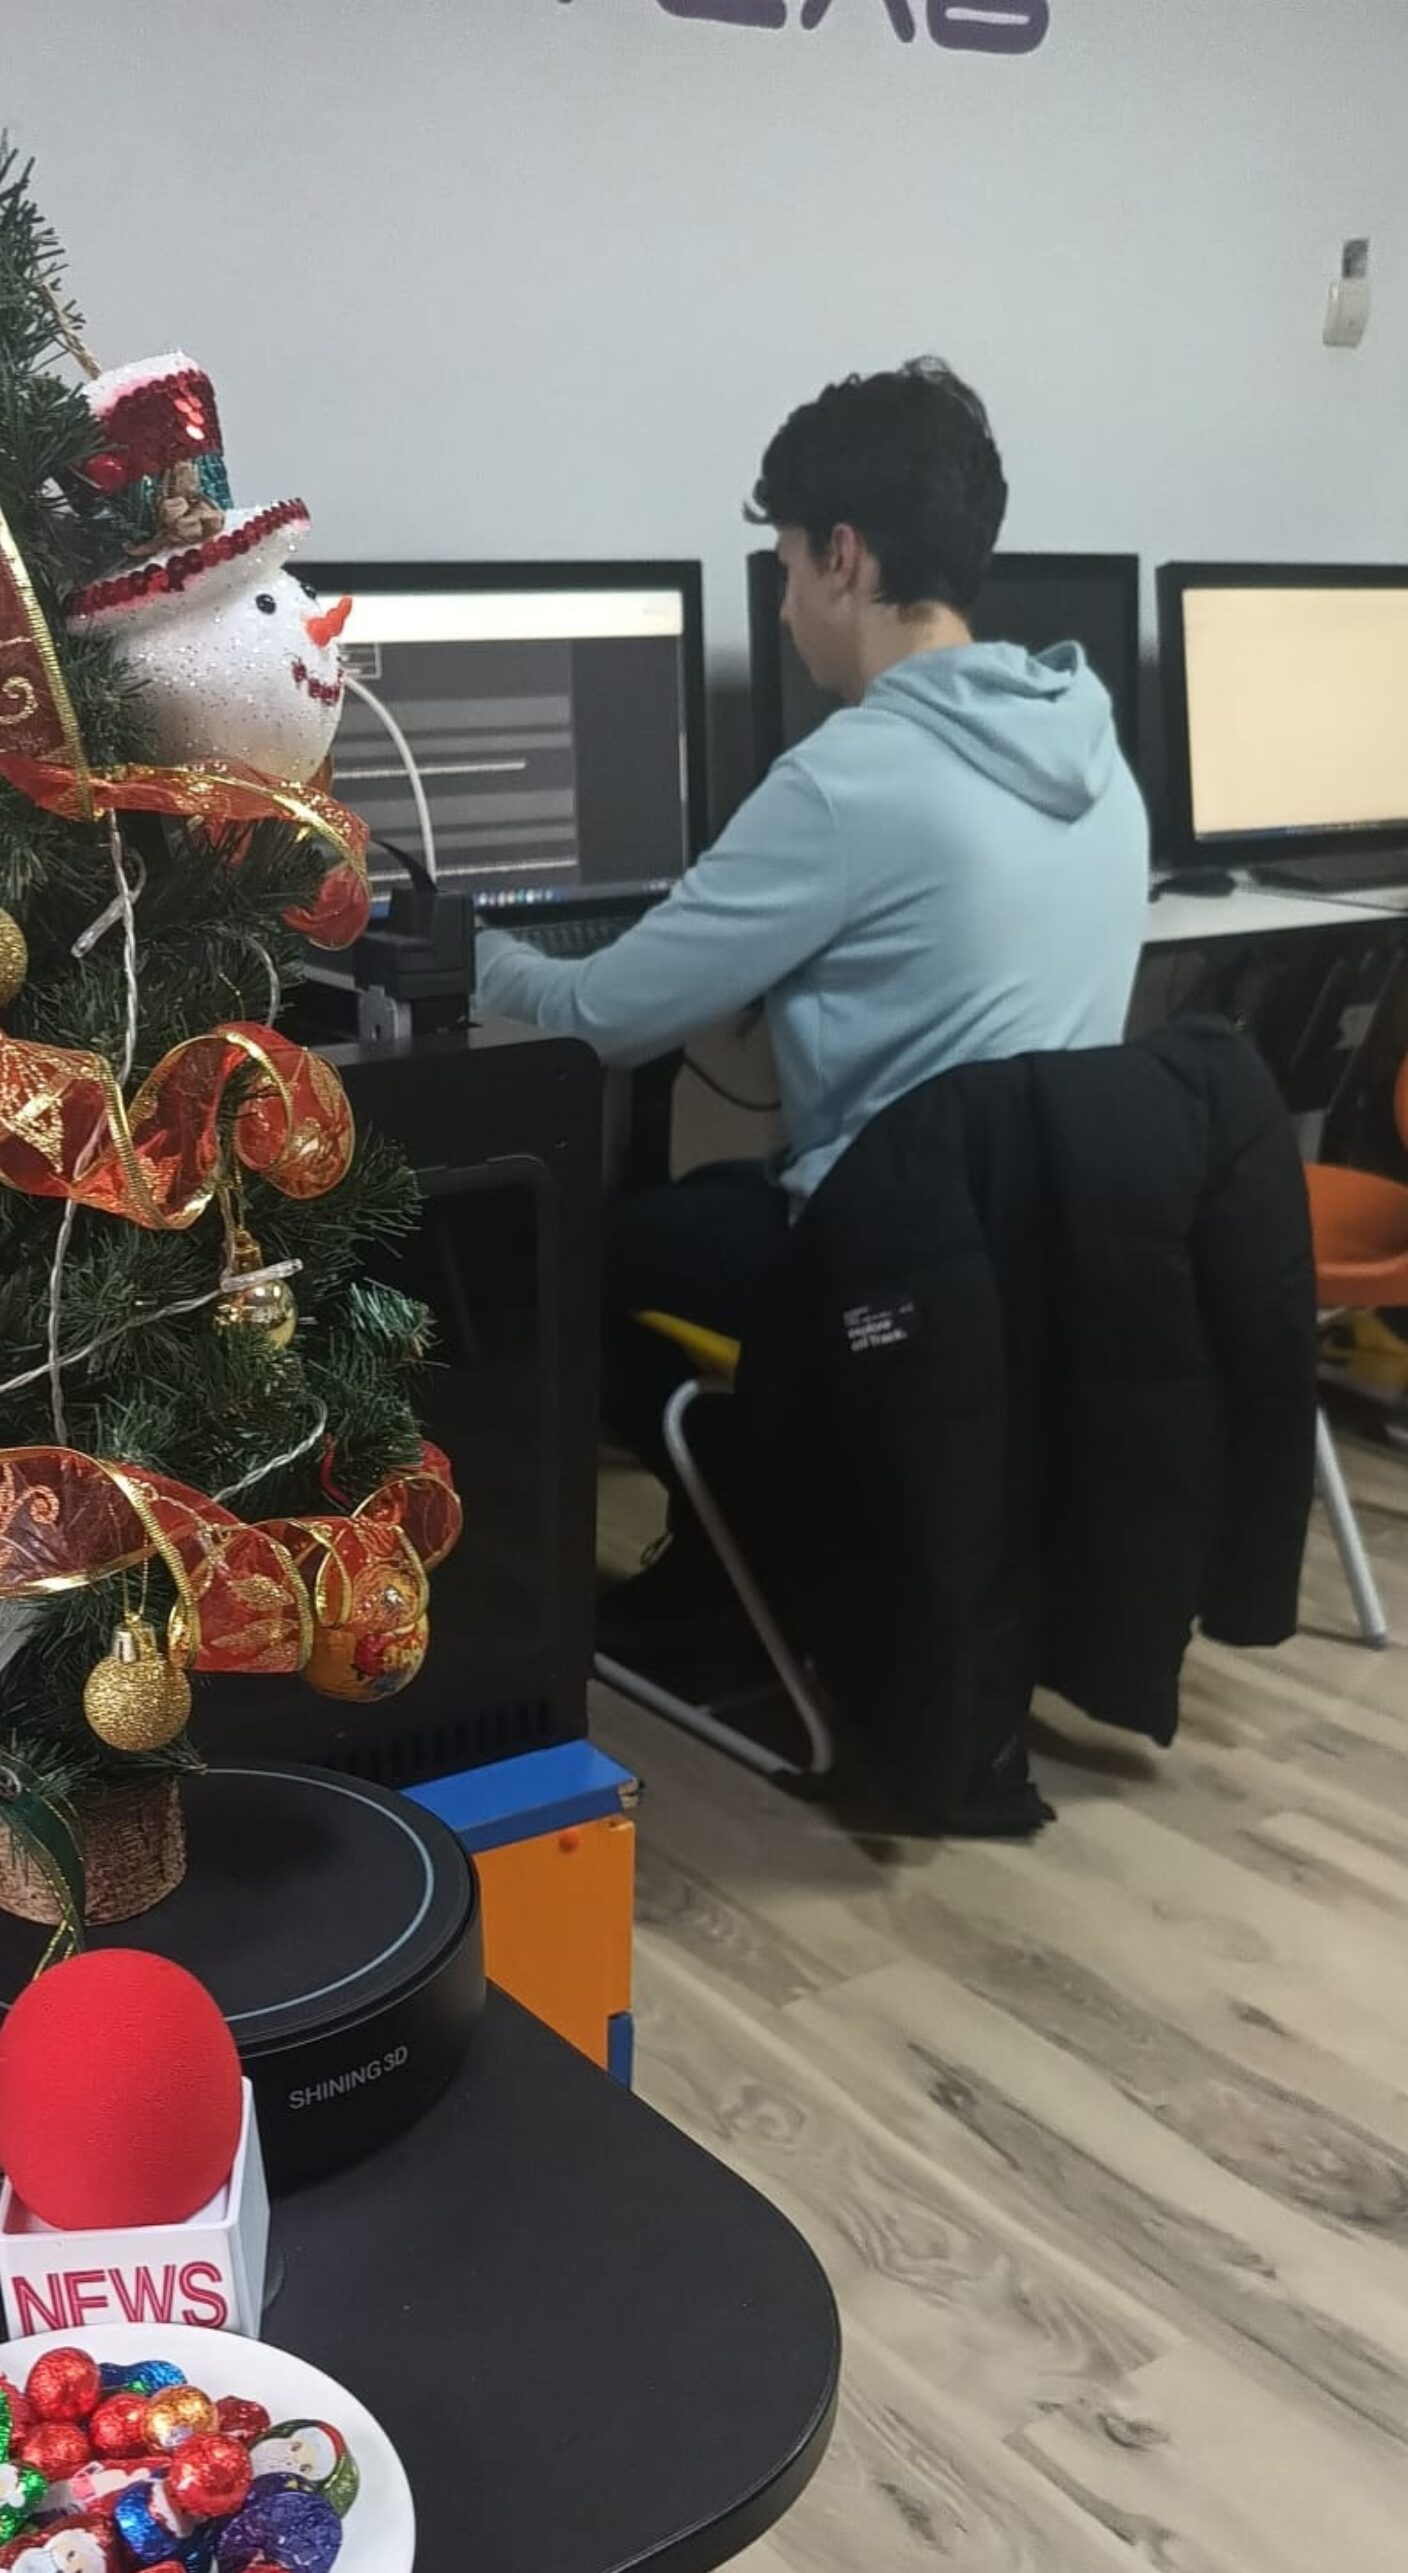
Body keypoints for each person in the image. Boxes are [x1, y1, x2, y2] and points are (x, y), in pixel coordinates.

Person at [474, 359, 1150, 1658]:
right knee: (705, 1202)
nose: (783, 606)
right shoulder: (1089, 746)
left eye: (785, 568)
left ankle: (742, 1567)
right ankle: (773, 1548)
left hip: (882, 1266)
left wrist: (467, 949)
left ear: (844, 557)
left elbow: (597, 1019)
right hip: (1037, 1251)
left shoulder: (846, 779)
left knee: (559, 1259)